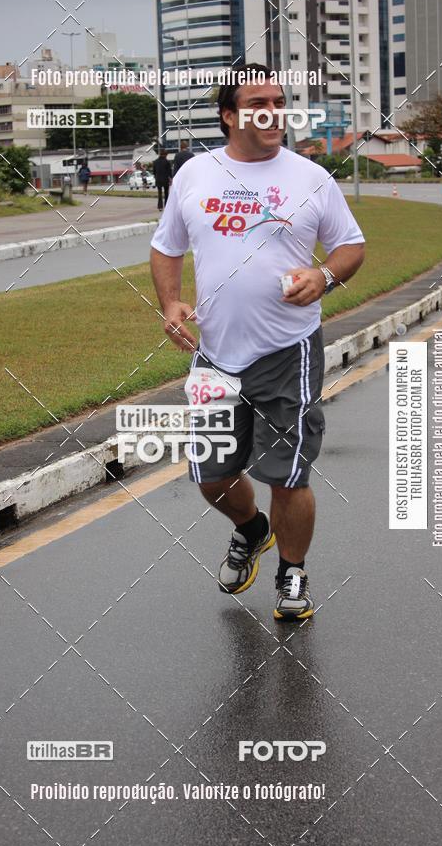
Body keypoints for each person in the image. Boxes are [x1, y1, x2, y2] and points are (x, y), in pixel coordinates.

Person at [150, 63, 365, 621]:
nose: (273, 112)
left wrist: (325, 275)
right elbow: (167, 246)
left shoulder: (310, 178)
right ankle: (251, 529)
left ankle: (292, 573)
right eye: (257, 103)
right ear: (228, 116)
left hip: (287, 349)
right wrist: (170, 303)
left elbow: (350, 246)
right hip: (215, 356)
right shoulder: (195, 174)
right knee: (212, 476)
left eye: (279, 101)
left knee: (287, 474)